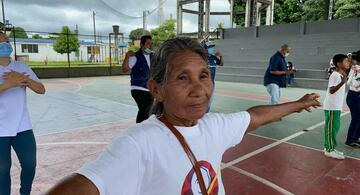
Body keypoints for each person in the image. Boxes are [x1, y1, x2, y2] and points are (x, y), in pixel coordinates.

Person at [47, 37, 321, 195]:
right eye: (182, 78)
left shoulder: (215, 126)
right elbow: (83, 187)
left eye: (203, 76)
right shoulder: (140, 142)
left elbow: (256, 116)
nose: (199, 89)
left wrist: (297, 104)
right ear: (157, 89)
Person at [0, 32, 45, 195]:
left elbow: (41, 89)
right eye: (0, 41)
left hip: (22, 126)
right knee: (2, 170)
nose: (4, 44)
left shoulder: (21, 67)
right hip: (0, 129)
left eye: (6, 40)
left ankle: (25, 192)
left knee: (29, 164)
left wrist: (24, 80)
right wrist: (8, 84)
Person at [323, 54, 350, 159]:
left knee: (335, 128)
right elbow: (332, 90)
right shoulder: (334, 75)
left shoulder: (340, 74)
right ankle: (329, 150)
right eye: (346, 61)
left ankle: (330, 147)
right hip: (331, 107)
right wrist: (342, 83)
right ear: (339, 64)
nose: (348, 63)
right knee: (331, 129)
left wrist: (344, 79)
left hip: (336, 107)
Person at [122, 35, 154, 123]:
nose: (150, 46)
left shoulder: (153, 56)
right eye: (148, 44)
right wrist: (127, 56)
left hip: (148, 88)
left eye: (151, 44)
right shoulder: (135, 56)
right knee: (146, 108)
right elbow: (125, 69)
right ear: (142, 45)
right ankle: (140, 128)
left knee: (147, 110)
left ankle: (142, 127)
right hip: (138, 88)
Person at [345, 50, 360, 148]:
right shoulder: (357, 69)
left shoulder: (353, 68)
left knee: (357, 119)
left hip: (352, 95)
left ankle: (354, 138)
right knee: (356, 119)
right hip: (356, 96)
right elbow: (353, 83)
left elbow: (348, 82)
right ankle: (350, 140)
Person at [204, 41, 224, 112]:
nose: (212, 49)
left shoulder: (213, 57)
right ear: (205, 49)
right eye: (210, 47)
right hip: (203, 83)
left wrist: (221, 57)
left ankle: (206, 113)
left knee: (210, 99)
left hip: (212, 83)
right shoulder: (201, 58)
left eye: (212, 47)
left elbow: (221, 64)